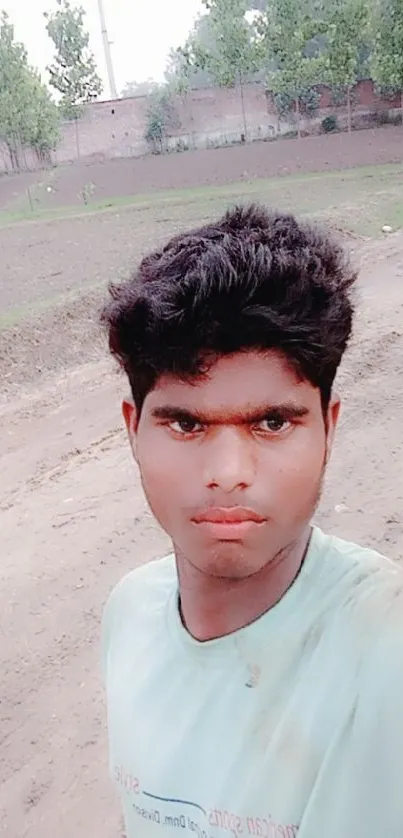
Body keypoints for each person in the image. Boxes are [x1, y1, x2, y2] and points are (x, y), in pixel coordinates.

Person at [101, 204, 403, 838]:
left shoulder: (386, 649)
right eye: (186, 423)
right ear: (134, 430)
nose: (230, 471)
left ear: (329, 428)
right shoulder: (128, 613)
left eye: (272, 422)